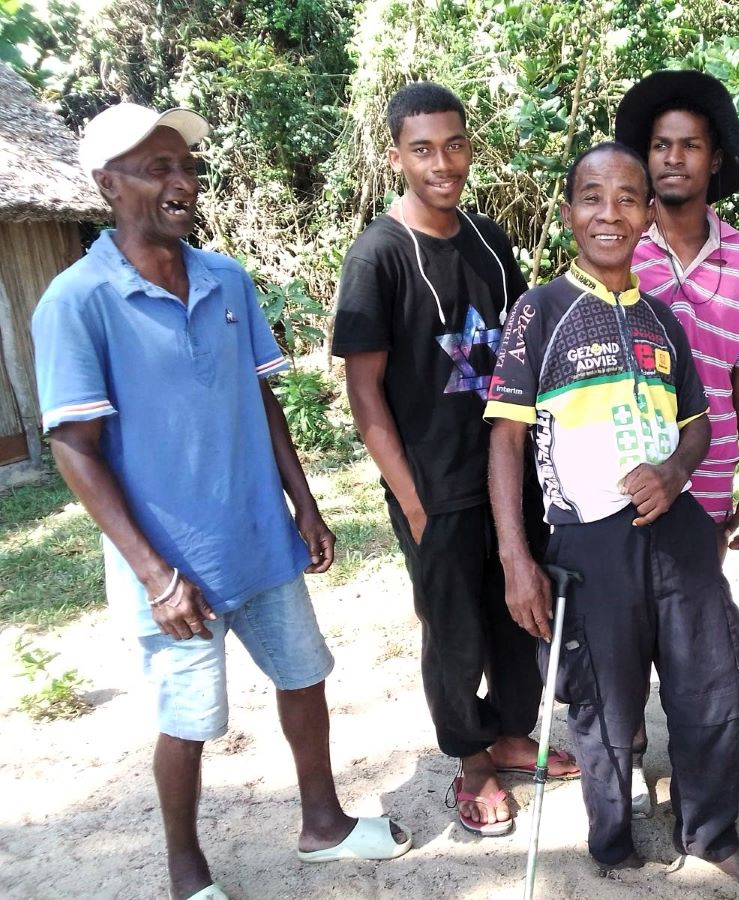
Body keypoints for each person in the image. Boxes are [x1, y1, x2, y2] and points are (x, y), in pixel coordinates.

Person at [31, 103, 410, 900]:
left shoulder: (225, 278)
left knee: (304, 676)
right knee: (190, 720)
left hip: (259, 537)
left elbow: (260, 398)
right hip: (173, 567)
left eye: (187, 167)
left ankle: (324, 824)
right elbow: (75, 448)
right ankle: (185, 871)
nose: (182, 181)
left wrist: (303, 504)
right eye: (158, 167)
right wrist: (154, 574)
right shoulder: (77, 301)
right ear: (108, 184)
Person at [486, 141, 739, 886]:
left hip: (678, 529)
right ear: (567, 212)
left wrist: (677, 472)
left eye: (626, 199)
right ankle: (613, 844)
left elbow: (700, 424)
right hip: (589, 542)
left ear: (648, 214)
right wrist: (517, 560)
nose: (608, 213)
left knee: (709, 679)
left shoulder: (661, 320)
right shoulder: (538, 313)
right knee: (603, 702)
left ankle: (710, 831)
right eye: (592, 197)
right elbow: (507, 441)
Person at [331, 81, 577, 838]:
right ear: (397, 155)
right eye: (423, 148)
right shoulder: (377, 256)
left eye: (455, 143)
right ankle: (471, 761)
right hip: (433, 488)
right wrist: (410, 499)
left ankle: (508, 733)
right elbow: (365, 393)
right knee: (455, 626)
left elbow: (515, 352)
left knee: (516, 616)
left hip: (508, 474)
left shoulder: (490, 240)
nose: (444, 162)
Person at [614, 69, 739, 818]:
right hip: (621, 477)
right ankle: (627, 751)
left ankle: (690, 765)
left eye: (691, 145)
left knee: (692, 623)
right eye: (660, 146)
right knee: (624, 623)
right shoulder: (616, 249)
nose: (674, 158)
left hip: (707, 480)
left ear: (716, 160)